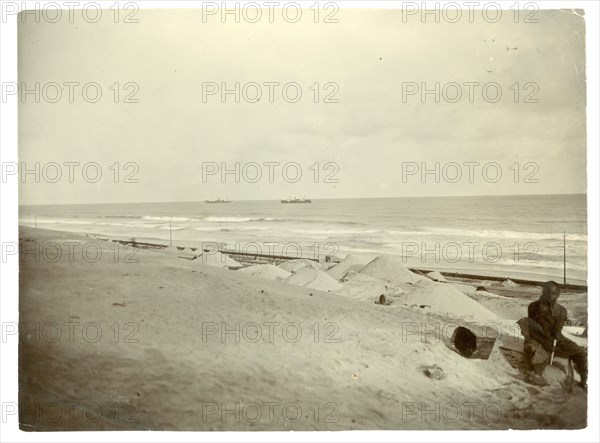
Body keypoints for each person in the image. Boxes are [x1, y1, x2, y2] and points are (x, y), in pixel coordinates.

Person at [518, 281, 587, 389]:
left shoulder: (562, 310)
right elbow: (532, 330)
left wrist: (556, 337)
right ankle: (537, 377)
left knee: (580, 352)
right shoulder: (533, 307)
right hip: (537, 338)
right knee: (533, 349)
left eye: (553, 293)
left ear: (557, 295)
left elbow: (558, 331)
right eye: (547, 292)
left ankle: (584, 382)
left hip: (553, 340)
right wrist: (545, 342)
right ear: (543, 292)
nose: (549, 296)